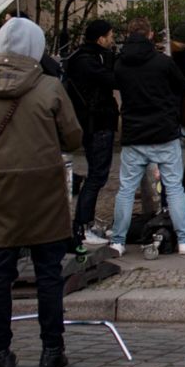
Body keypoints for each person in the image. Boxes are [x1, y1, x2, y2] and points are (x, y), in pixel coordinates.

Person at [0, 17, 82, 367]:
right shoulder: (49, 87)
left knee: (0, 272)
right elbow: (74, 136)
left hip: (1, 186)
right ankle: (52, 350)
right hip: (44, 187)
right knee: (49, 271)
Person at [109, 17, 185, 256]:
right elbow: (182, 86)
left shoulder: (120, 65)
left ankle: (118, 240)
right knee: (173, 187)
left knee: (126, 189)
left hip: (134, 133)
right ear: (150, 35)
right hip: (163, 131)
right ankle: (184, 238)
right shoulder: (163, 62)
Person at [63, 19, 118, 248]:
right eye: (110, 35)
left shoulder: (80, 58)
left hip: (92, 122)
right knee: (96, 176)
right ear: (100, 38)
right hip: (97, 123)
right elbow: (112, 80)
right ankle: (82, 225)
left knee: (97, 174)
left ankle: (85, 224)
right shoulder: (89, 62)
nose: (113, 39)